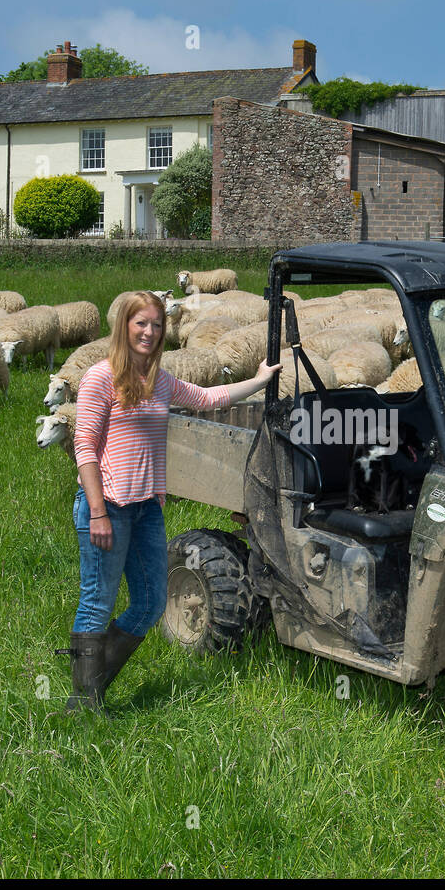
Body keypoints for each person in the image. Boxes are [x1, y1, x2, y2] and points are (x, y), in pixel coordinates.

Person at [61, 291, 281, 712]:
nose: (149, 332)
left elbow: (207, 398)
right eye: (140, 323)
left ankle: (89, 686)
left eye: (156, 325)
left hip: (145, 510)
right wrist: (99, 513)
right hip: (106, 506)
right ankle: (85, 701)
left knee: (150, 603)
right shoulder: (100, 377)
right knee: (97, 599)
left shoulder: (159, 380)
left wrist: (259, 380)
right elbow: (84, 447)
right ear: (124, 326)